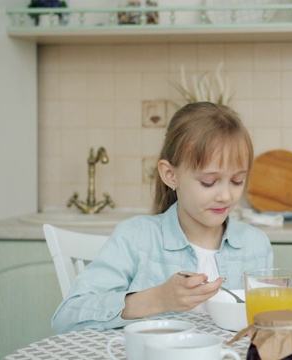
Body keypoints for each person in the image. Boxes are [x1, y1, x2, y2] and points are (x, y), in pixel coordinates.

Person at [52, 102, 273, 333]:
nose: (226, 196)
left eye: (237, 181)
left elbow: (266, 327)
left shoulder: (255, 245)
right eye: (209, 182)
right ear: (170, 175)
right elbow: (67, 318)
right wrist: (158, 299)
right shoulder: (137, 238)